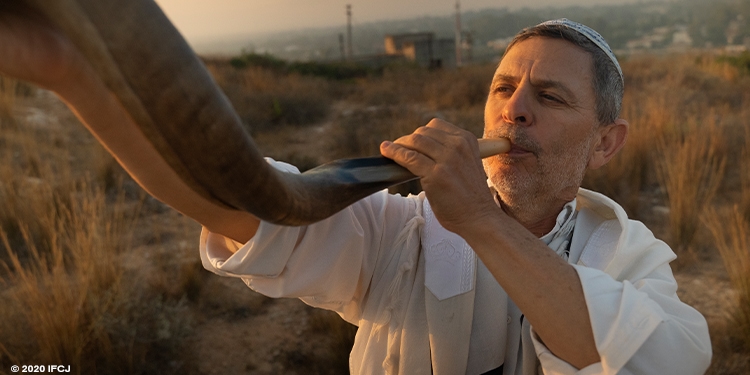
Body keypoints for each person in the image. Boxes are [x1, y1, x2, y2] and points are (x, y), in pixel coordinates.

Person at [0, 8, 711, 374]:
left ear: (607, 141)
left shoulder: (632, 256)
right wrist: (72, 76)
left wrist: (479, 223)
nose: (513, 109)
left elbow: (662, 358)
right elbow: (231, 198)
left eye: (549, 96)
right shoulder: (400, 231)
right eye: (502, 88)